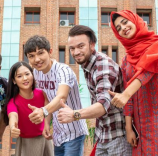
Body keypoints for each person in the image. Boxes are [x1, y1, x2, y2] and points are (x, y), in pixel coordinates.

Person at [109, 10, 158, 155]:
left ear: (135, 20)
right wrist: (129, 128)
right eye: (119, 28)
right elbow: (127, 95)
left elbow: (146, 72)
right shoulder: (126, 60)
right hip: (140, 127)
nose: (123, 28)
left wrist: (125, 94)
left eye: (125, 22)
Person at [57, 25, 132, 155]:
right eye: (72, 48)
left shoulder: (103, 65)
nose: (76, 52)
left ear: (92, 45)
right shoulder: (88, 65)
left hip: (118, 135)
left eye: (81, 46)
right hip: (103, 134)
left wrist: (74, 114)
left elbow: (103, 105)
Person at [24, 35, 88, 156]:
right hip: (58, 135)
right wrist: (46, 124)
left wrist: (43, 112)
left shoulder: (63, 70)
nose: (37, 59)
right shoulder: (36, 73)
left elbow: (61, 97)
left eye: (40, 53)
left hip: (74, 132)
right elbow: (47, 100)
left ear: (50, 52)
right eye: (31, 56)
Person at [3, 61, 54, 156]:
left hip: (44, 140)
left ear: (32, 75)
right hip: (26, 144)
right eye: (19, 76)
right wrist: (13, 127)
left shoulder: (42, 93)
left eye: (27, 74)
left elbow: (48, 110)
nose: (25, 78)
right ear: (14, 80)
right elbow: (13, 116)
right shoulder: (13, 102)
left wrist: (46, 124)